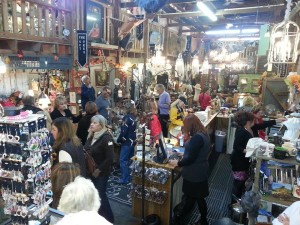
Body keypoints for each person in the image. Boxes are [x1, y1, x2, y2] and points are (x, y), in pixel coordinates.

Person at [168, 114, 210, 225]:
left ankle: (179, 217)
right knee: (197, 197)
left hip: (194, 172)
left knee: (191, 197)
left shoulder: (197, 138)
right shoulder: (203, 133)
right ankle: (202, 220)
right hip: (200, 170)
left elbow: (191, 158)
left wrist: (178, 162)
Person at [84, 115, 114, 223]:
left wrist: (99, 170)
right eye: (92, 122)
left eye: (95, 123)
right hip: (90, 171)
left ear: (101, 125)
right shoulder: (91, 136)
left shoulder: (106, 138)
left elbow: (110, 158)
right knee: (94, 196)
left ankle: (109, 219)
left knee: (100, 195)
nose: (92, 124)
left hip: (101, 173)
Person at [231, 111, 255, 200]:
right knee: (238, 184)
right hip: (239, 162)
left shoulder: (245, 129)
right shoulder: (242, 131)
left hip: (241, 161)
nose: (254, 122)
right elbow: (236, 146)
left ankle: (235, 200)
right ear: (248, 122)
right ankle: (233, 203)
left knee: (239, 183)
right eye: (252, 120)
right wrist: (248, 151)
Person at [117, 100, 137, 185]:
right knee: (129, 160)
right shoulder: (133, 117)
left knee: (123, 160)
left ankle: (125, 179)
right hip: (132, 141)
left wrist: (119, 140)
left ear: (125, 108)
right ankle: (130, 177)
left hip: (127, 142)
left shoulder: (126, 118)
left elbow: (124, 132)